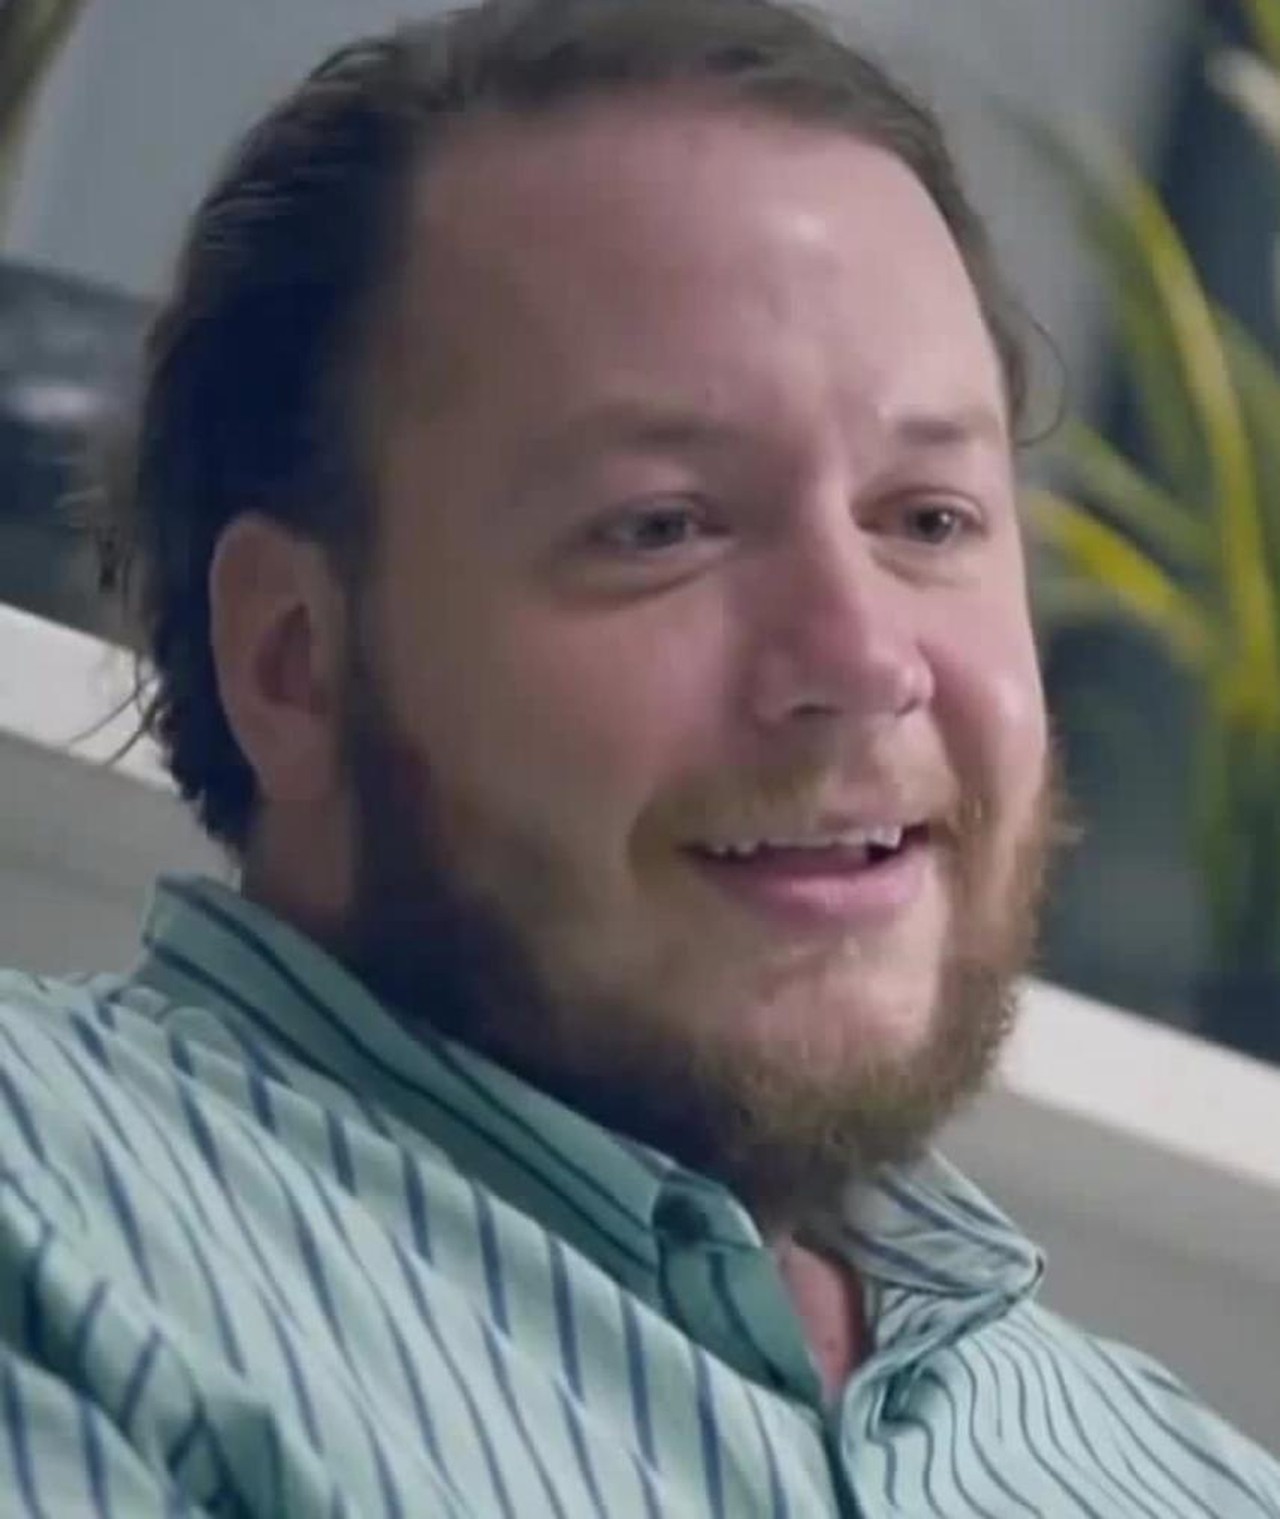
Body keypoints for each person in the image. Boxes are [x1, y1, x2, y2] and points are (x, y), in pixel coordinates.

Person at [1, 0, 1276, 1512]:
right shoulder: (47, 1211)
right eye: (662, 528)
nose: (866, 662)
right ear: (293, 661)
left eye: (929, 519)